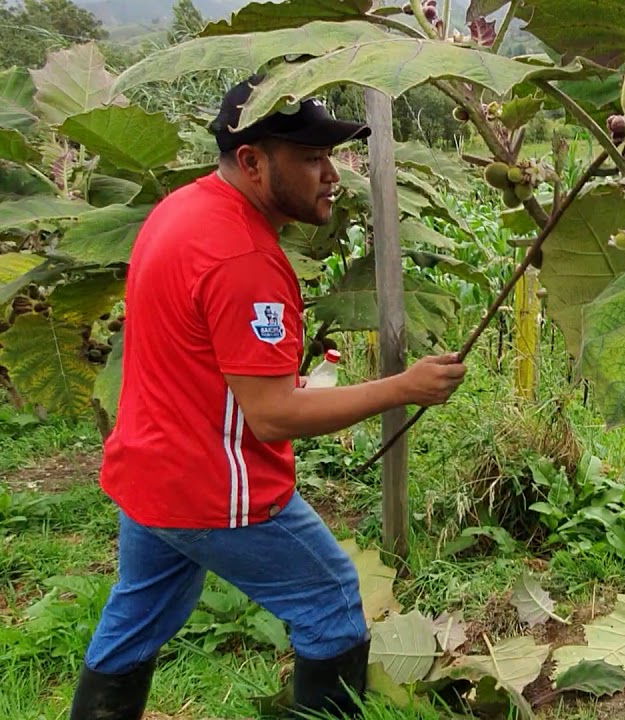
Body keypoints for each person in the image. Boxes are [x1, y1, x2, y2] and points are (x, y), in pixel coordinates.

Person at [68, 75, 467, 719]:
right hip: (212, 487)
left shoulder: (183, 209)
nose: (331, 174)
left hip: (148, 470)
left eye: (329, 156)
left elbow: (196, 355)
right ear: (252, 161)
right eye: (310, 159)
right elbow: (273, 414)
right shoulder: (244, 257)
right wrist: (403, 387)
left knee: (137, 618)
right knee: (332, 604)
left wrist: (275, 383)